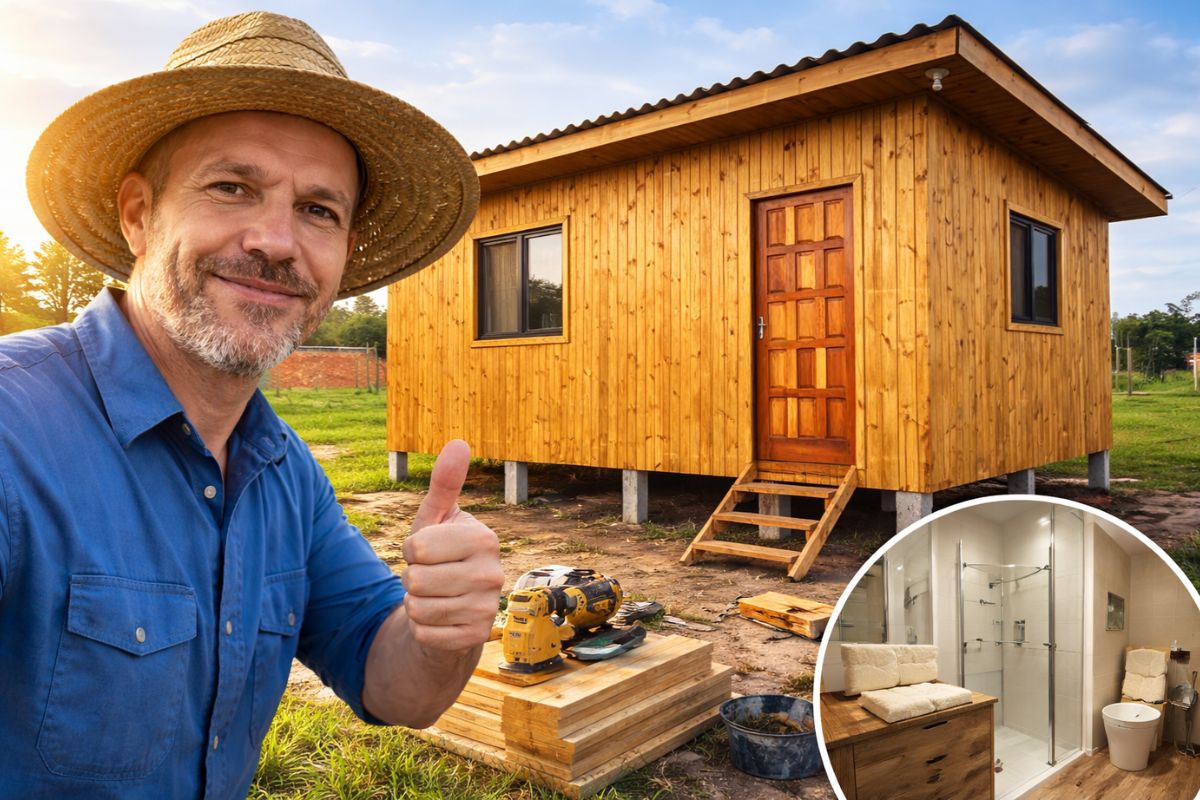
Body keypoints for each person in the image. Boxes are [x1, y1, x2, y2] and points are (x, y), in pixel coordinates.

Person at [0, 12, 503, 798]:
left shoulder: (284, 472)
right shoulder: (10, 429)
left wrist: (444, 631)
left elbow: (394, 686)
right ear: (138, 214)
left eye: (318, 210)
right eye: (233, 187)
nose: (276, 241)